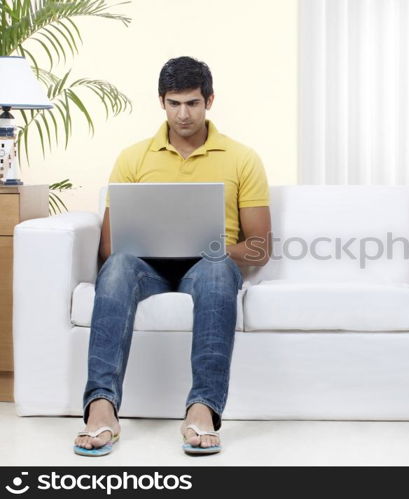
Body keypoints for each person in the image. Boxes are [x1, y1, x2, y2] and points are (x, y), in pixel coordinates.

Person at [73, 56, 271, 456]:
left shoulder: (241, 157)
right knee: (116, 268)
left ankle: (202, 409)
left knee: (216, 270)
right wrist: (155, 243)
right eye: (175, 103)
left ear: (210, 101)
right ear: (161, 102)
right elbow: (110, 248)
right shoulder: (133, 158)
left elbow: (259, 247)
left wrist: (201, 246)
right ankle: (101, 408)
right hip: (147, 267)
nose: (184, 114)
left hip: (209, 264)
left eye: (193, 103)